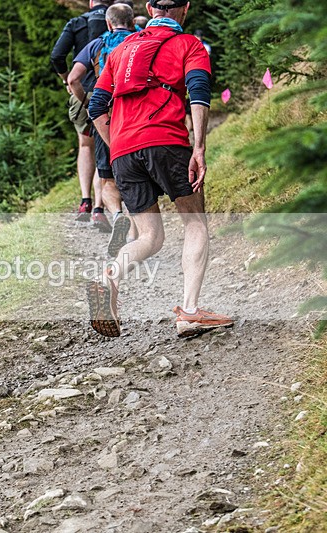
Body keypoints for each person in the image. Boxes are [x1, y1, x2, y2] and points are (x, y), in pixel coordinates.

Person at [87, 0, 234, 338]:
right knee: (194, 220)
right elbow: (198, 93)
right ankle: (190, 312)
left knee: (150, 236)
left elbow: (96, 106)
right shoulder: (190, 45)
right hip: (167, 140)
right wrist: (199, 147)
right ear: (185, 8)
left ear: (150, 9)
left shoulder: (122, 48)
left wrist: (118, 147)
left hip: (123, 148)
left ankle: (107, 278)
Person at [69, 3, 137, 250]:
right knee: (136, 174)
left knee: (107, 176)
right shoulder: (141, 39)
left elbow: (73, 78)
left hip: (105, 117)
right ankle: (135, 232)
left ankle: (117, 215)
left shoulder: (97, 44)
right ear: (131, 21)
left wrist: (87, 102)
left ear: (108, 23)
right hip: (137, 116)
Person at [50, 0, 113, 226]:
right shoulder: (116, 20)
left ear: (90, 2)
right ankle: (100, 206)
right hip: (109, 94)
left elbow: (57, 56)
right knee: (106, 147)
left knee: (86, 145)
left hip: (81, 93)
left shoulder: (77, 23)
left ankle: (85, 200)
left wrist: (67, 80)